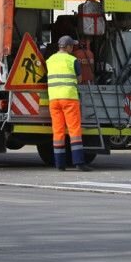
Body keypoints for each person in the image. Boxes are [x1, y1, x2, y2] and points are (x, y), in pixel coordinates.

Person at [45, 35, 92, 172]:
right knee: (74, 131)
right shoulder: (73, 60)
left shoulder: (50, 60)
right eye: (72, 46)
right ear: (68, 47)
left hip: (54, 99)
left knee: (58, 131)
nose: (73, 49)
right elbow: (79, 79)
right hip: (69, 99)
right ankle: (79, 162)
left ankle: (60, 164)